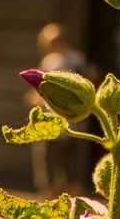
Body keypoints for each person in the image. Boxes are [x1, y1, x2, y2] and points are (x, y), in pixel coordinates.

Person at [28, 23, 93, 198]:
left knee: (49, 174)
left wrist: (32, 99)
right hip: (77, 128)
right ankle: (77, 213)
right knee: (73, 175)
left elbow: (45, 93)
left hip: (54, 128)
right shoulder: (79, 59)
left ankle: (49, 215)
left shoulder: (52, 61)